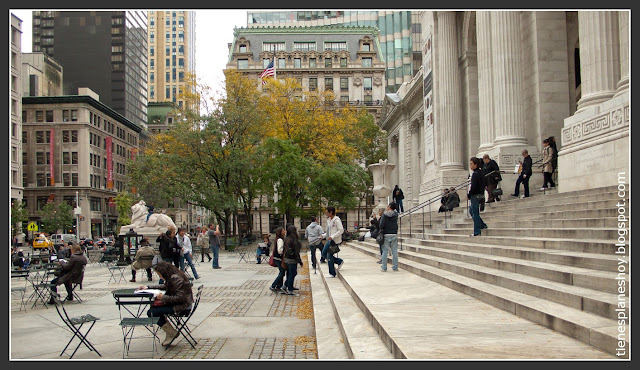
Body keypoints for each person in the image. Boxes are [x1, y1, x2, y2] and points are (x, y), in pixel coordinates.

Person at [139, 261, 194, 346]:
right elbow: (166, 286)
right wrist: (149, 287)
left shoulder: (175, 278)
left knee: (152, 312)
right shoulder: (173, 276)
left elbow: (180, 298)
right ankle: (170, 332)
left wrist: (162, 298)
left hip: (182, 307)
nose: (160, 277)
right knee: (153, 310)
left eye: (159, 275)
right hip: (182, 304)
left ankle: (171, 332)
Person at [321, 206, 344, 278]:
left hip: (334, 240)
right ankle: (339, 261)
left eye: (327, 212)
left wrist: (333, 236)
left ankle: (332, 273)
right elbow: (329, 232)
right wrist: (323, 236)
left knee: (329, 255)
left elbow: (341, 230)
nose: (326, 213)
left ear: (331, 212)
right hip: (329, 240)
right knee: (324, 253)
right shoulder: (328, 220)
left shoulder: (337, 220)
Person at [469, 157, 488, 236]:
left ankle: (477, 231)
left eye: (471, 164)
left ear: (475, 165)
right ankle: (482, 225)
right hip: (480, 194)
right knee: (471, 211)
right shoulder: (481, 173)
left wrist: (469, 194)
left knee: (475, 213)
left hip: (475, 195)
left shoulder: (475, 174)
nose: (470, 166)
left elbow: (473, 186)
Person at [282, 225, 303, 295]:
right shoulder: (294, 239)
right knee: (292, 274)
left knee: (289, 274)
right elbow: (296, 252)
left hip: (286, 258)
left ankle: (286, 286)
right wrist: (300, 261)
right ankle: (289, 289)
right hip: (292, 259)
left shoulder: (286, 238)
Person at [378, 202, 399, 272]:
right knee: (394, 251)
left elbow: (381, 225)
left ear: (389, 206)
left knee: (385, 251)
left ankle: (384, 267)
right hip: (394, 233)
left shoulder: (385, 214)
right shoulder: (396, 214)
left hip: (386, 233)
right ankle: (395, 267)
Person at [269, 227, 287, 293]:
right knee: (282, 273)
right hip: (279, 258)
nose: (284, 232)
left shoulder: (278, 239)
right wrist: (284, 252)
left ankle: (278, 286)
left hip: (277, 258)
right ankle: (273, 285)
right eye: (283, 231)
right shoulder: (280, 240)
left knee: (281, 272)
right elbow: (280, 250)